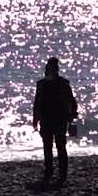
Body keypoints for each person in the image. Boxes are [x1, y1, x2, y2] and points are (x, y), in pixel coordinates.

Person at [32, 57, 78, 185]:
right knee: (58, 146)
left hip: (53, 119)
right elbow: (72, 102)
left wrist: (35, 118)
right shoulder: (62, 83)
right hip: (56, 119)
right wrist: (72, 116)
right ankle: (58, 172)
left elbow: (37, 103)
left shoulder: (44, 84)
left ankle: (51, 172)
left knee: (52, 146)